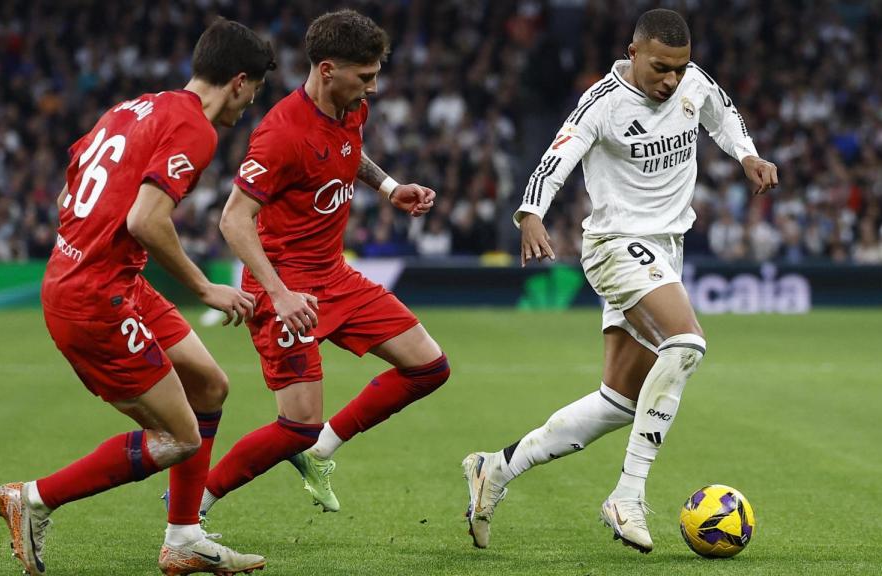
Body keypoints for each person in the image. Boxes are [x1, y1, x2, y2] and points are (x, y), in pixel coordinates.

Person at [462, 8, 778, 553]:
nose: (671, 79)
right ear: (633, 53)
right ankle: (627, 495)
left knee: (618, 401)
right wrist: (531, 213)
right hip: (616, 247)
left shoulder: (691, 82)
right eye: (661, 67)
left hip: (665, 252)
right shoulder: (603, 103)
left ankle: (496, 467)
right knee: (685, 345)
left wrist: (747, 155)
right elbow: (554, 160)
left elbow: (723, 114)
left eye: (679, 68)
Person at [0, 18, 276, 576]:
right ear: (240, 82)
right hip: (95, 295)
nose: (249, 107)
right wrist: (205, 288)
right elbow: (145, 219)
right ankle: (32, 499)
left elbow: (68, 187)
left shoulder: (133, 108)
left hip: (108, 278)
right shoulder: (197, 129)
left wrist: (87, 248)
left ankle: (184, 539)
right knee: (179, 438)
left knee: (211, 386)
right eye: (255, 94)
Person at [199, 9, 449, 520]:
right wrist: (278, 294)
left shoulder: (350, 106)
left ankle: (318, 454)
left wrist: (388, 187)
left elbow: (347, 152)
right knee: (295, 424)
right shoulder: (280, 133)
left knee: (429, 367)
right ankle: (191, 505)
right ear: (327, 68)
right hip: (288, 287)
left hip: (335, 275)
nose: (374, 89)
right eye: (366, 76)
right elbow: (233, 220)